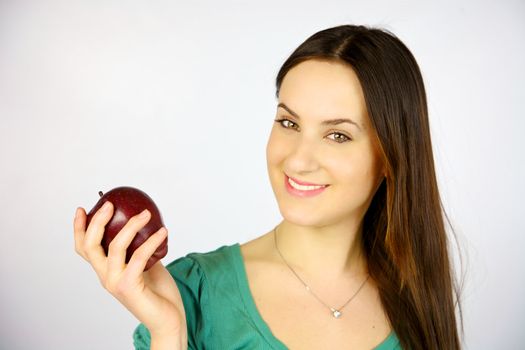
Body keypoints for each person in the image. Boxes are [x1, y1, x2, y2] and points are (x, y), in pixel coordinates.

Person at [73, 24, 462, 349]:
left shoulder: (416, 295)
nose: (297, 160)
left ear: (390, 156)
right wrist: (168, 332)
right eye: (289, 123)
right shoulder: (191, 294)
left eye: (338, 135)